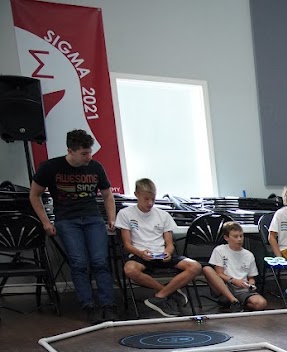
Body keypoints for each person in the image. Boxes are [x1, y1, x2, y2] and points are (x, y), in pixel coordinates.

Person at [28, 128, 118, 322]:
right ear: (70, 151)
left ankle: (108, 305)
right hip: (67, 220)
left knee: (100, 262)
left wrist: (112, 218)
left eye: (90, 152)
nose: (89, 157)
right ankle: (88, 306)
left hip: (93, 218)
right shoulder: (51, 167)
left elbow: (107, 195)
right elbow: (34, 195)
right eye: (84, 153)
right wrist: (45, 221)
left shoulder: (96, 167)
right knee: (79, 263)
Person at [115, 177, 202, 318]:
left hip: (161, 254)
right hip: (140, 254)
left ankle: (159, 297)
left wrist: (168, 252)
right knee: (129, 269)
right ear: (136, 195)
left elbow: (169, 244)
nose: (150, 203)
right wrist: (141, 253)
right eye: (146, 199)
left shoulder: (163, 215)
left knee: (195, 266)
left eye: (153, 199)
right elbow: (127, 245)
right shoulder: (125, 214)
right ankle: (170, 292)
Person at [202, 222, 266, 312]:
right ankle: (233, 301)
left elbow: (251, 277)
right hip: (225, 286)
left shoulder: (249, 255)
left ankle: (238, 303)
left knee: (261, 303)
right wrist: (233, 281)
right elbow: (219, 274)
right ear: (226, 238)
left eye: (241, 236)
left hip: (242, 289)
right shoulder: (220, 250)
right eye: (235, 237)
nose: (239, 239)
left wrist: (251, 284)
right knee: (207, 269)